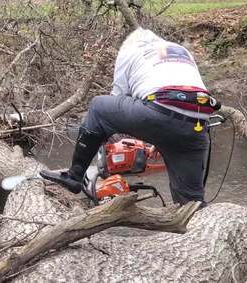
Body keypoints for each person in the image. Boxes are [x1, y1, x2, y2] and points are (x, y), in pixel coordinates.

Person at [39, 27, 220, 207]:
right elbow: (179, 93)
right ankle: (200, 224)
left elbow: (117, 100)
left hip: (159, 111)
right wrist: (161, 139)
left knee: (98, 107)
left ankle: (74, 176)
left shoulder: (129, 50)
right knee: (190, 203)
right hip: (196, 123)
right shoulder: (181, 50)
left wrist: (106, 141)